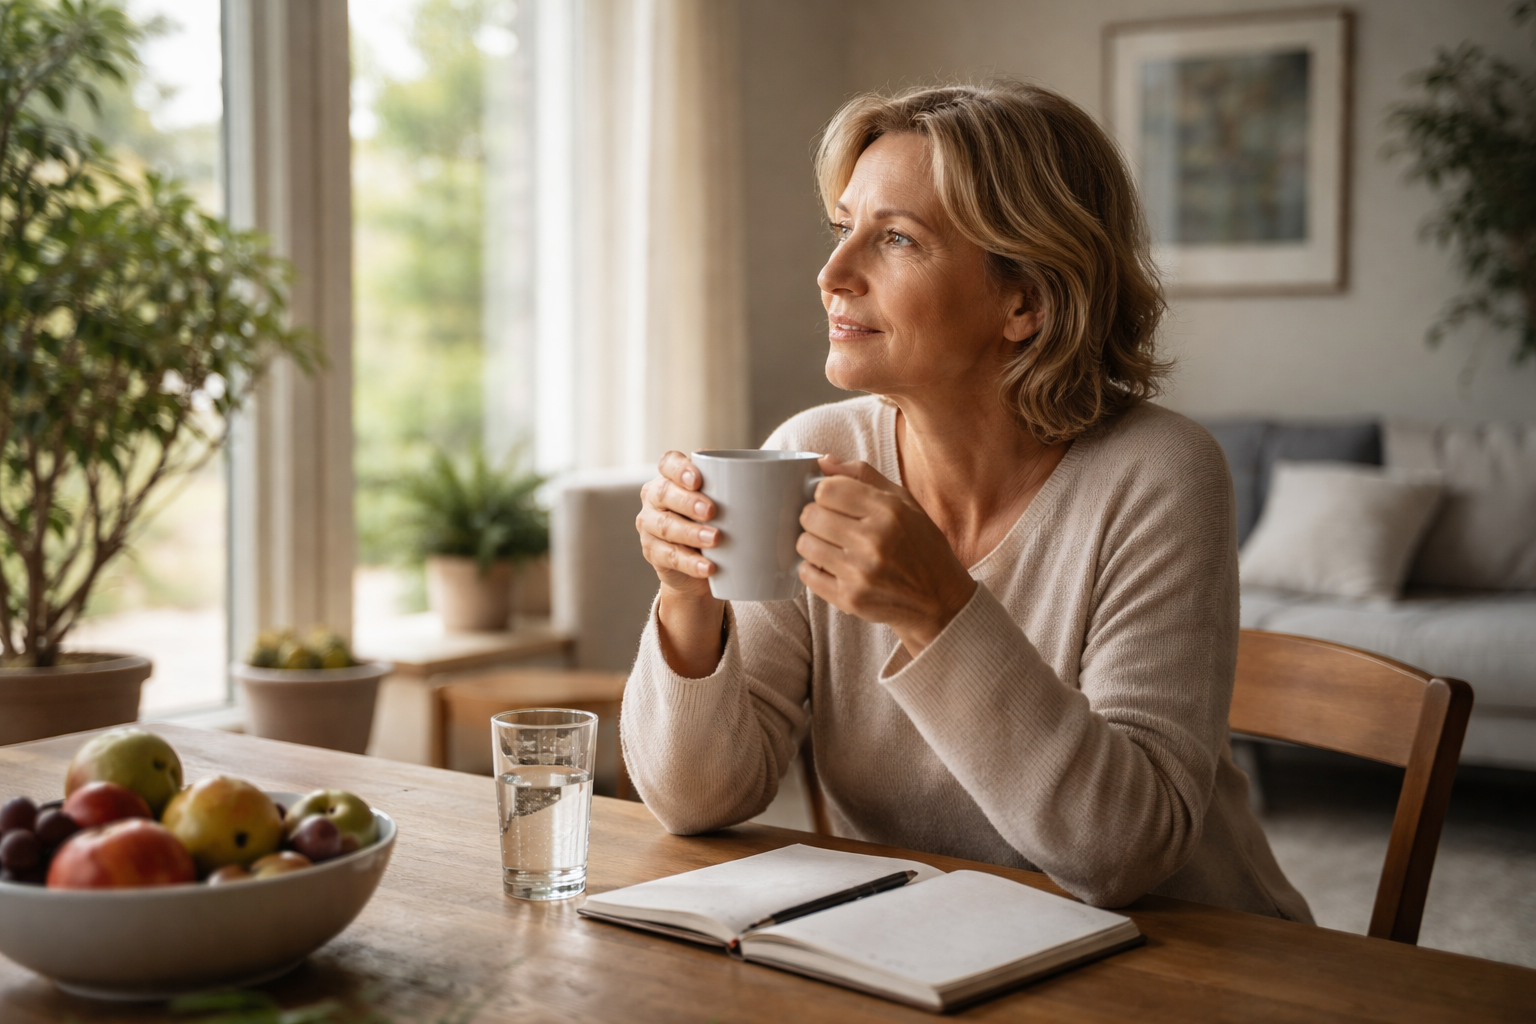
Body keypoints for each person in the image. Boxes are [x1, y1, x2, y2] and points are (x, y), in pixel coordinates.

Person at [622, 81, 1311, 920]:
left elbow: (1125, 854)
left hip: (1189, 957)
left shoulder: (1158, 472)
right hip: (927, 947)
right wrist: (687, 597)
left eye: (897, 238)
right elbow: (696, 801)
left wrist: (942, 610)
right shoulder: (817, 455)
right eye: (844, 228)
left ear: (1026, 299)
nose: (833, 273)